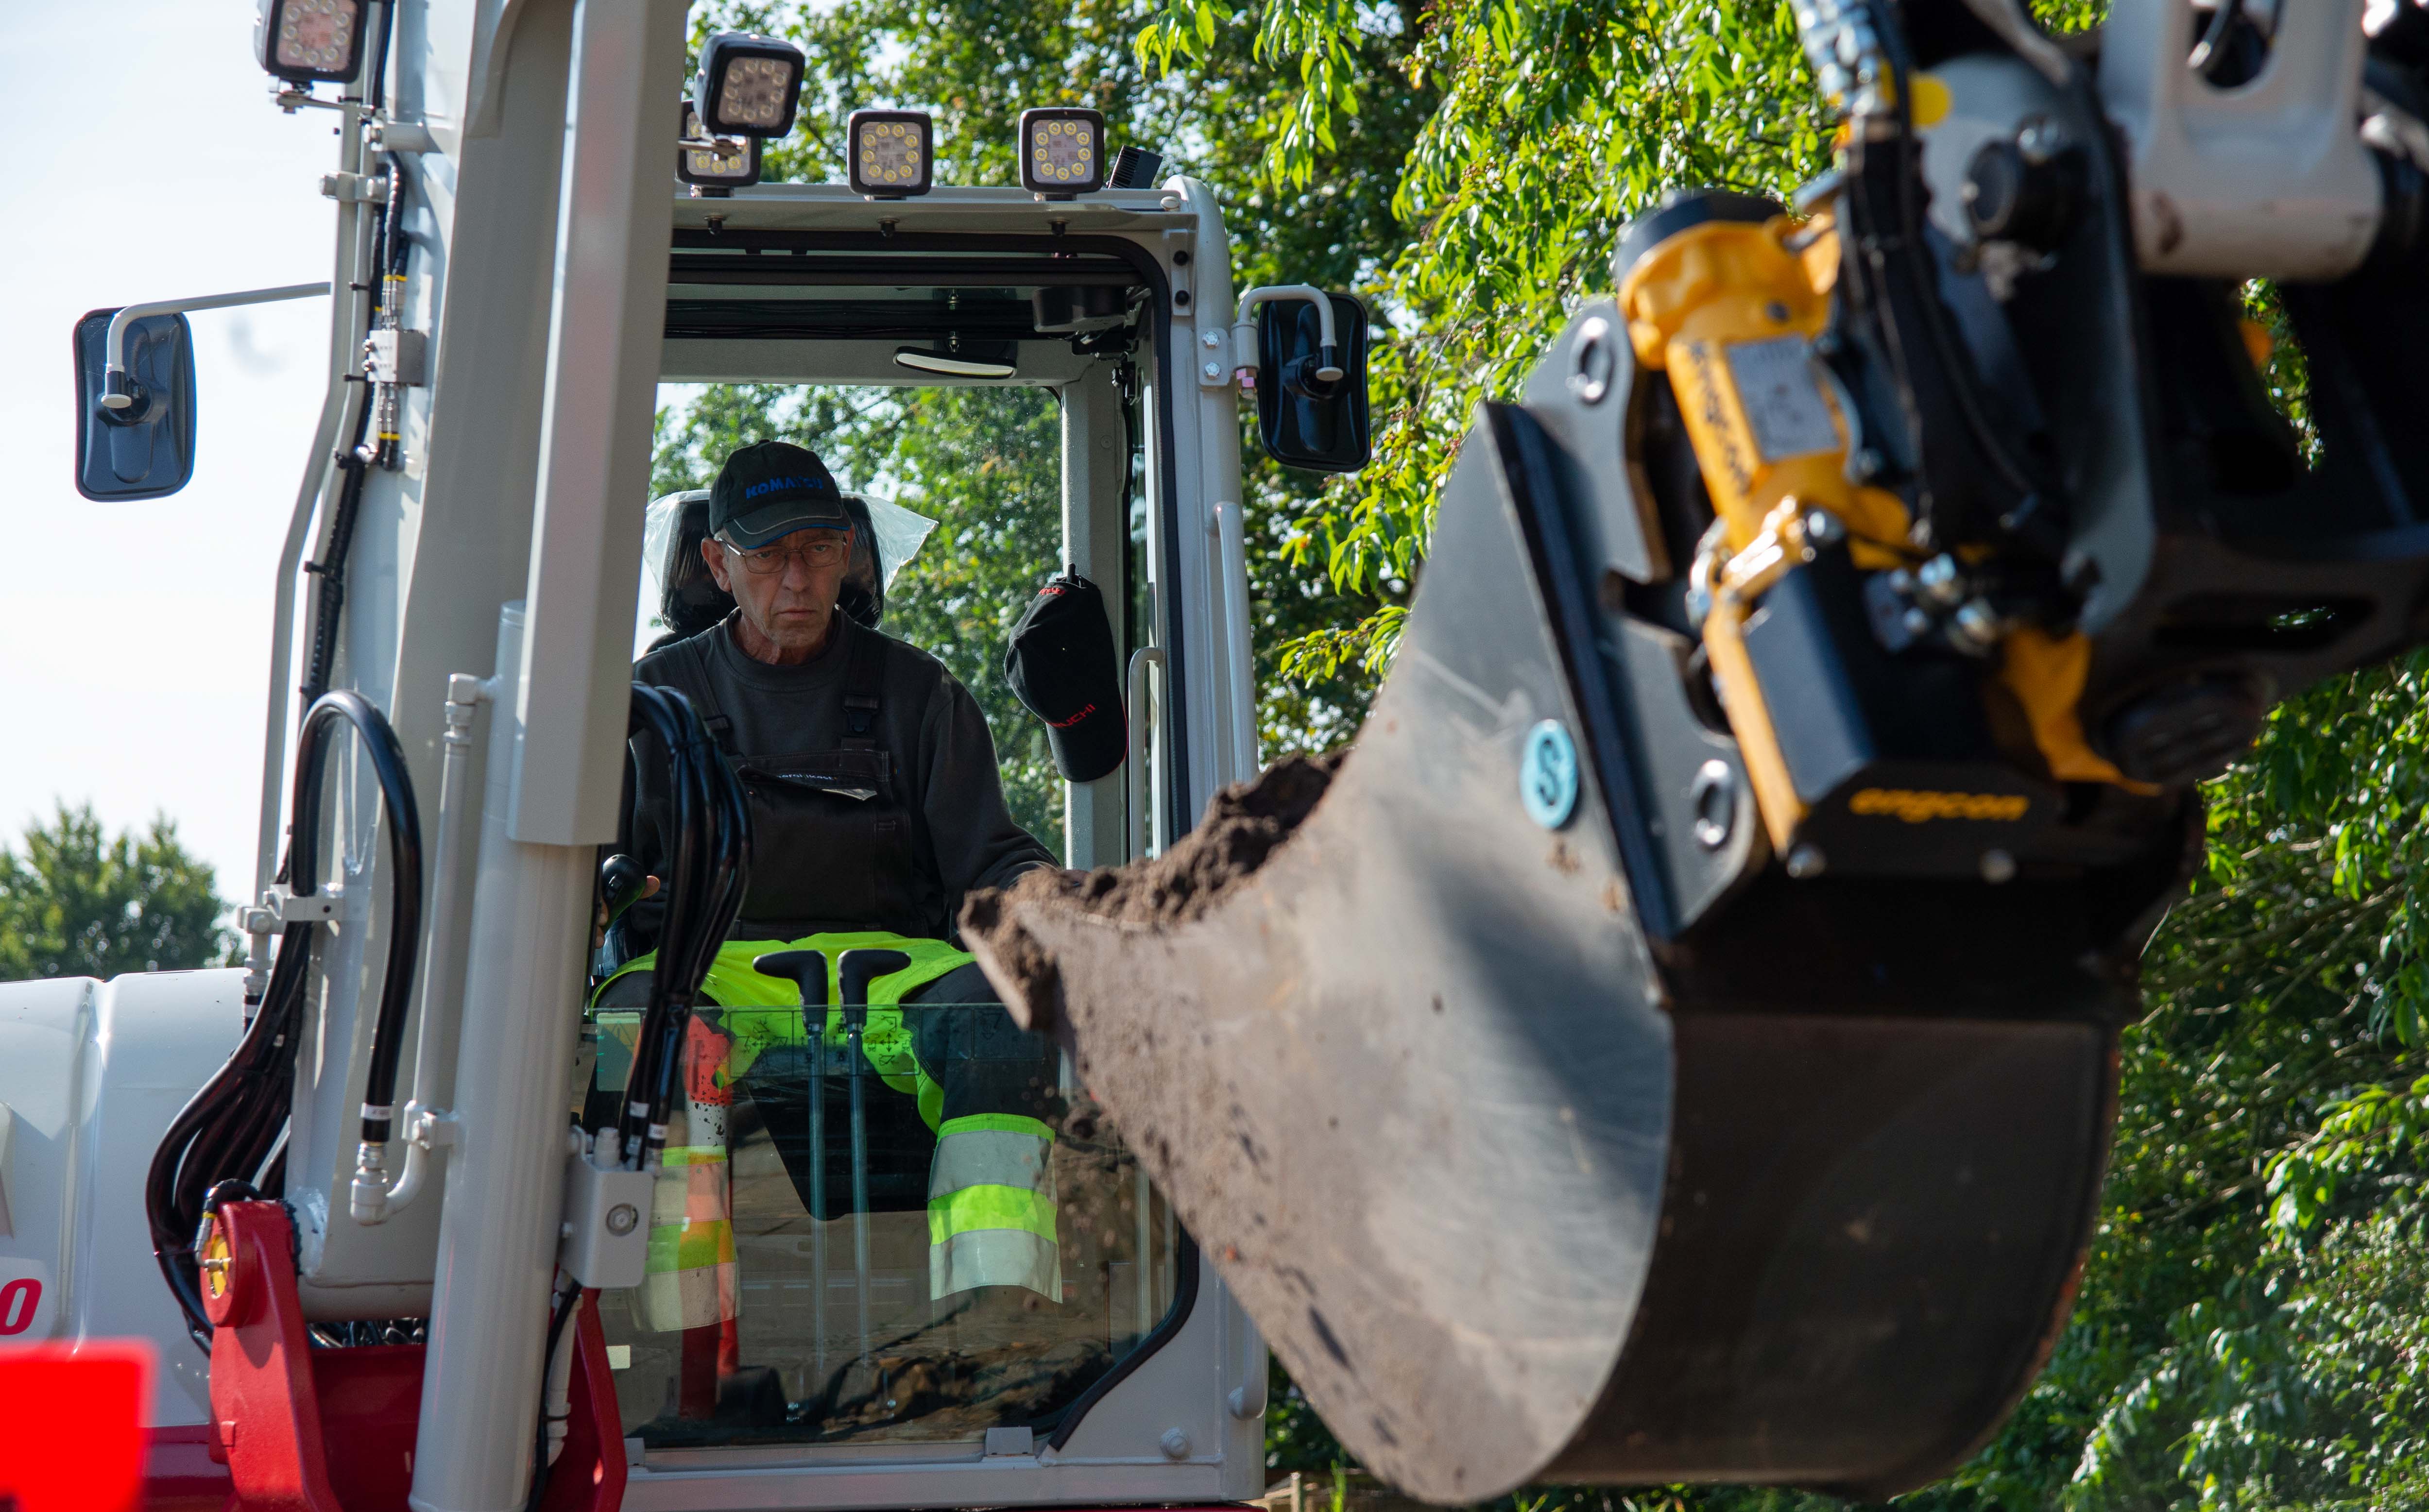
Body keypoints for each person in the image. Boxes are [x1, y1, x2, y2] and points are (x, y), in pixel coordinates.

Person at [599, 441, 1066, 1424]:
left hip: (896, 978)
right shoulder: (651, 701)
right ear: (718, 564)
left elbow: (991, 859)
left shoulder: (920, 696)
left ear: (851, 553)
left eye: (818, 550)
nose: (798, 577)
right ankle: (682, 1359)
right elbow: (599, 874)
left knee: (998, 1012)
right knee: (647, 1025)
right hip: (710, 972)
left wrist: (1047, 904)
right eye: (769, 556)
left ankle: (997, 1329)